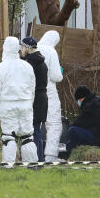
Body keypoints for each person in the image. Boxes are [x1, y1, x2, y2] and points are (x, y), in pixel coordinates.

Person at [0, 36, 38, 164]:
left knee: (8, 136)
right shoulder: (27, 66)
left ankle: (9, 164)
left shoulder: (1, 67)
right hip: (26, 104)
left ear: (4, 49)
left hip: (8, 105)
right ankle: (32, 163)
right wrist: (30, 103)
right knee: (27, 136)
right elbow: (32, 88)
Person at [58, 86, 100, 159]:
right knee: (76, 139)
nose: (78, 102)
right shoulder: (98, 103)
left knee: (72, 130)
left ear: (82, 98)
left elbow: (79, 123)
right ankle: (63, 149)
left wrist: (68, 127)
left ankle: (61, 150)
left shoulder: (90, 106)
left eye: (78, 100)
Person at [37, 30, 64, 162]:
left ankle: (32, 155)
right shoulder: (51, 51)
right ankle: (51, 156)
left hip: (33, 92)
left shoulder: (34, 48)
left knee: (34, 124)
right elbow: (56, 76)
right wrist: (61, 71)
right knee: (53, 124)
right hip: (49, 92)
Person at [19, 36, 48, 161]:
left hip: (35, 99)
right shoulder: (41, 61)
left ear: (27, 48)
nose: (21, 50)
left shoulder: (30, 63)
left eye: (22, 47)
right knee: (36, 130)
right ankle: (39, 159)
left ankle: (37, 160)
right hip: (42, 99)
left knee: (34, 131)